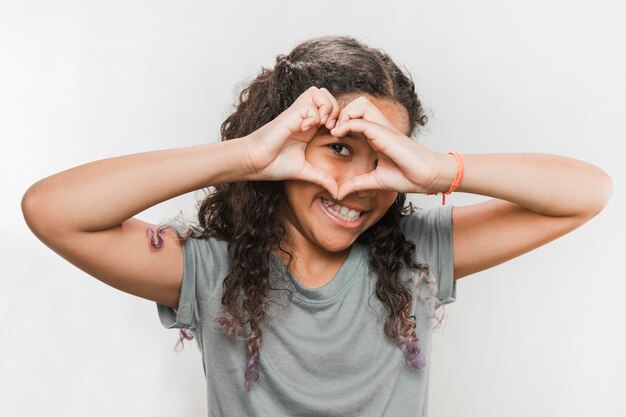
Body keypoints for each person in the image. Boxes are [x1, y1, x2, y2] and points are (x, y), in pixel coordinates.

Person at [21, 35, 612, 416]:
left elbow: (587, 193)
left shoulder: (418, 256)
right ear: (287, 143)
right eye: (337, 150)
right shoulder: (208, 271)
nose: (355, 185)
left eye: (381, 156)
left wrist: (436, 171)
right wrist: (246, 157)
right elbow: (52, 211)